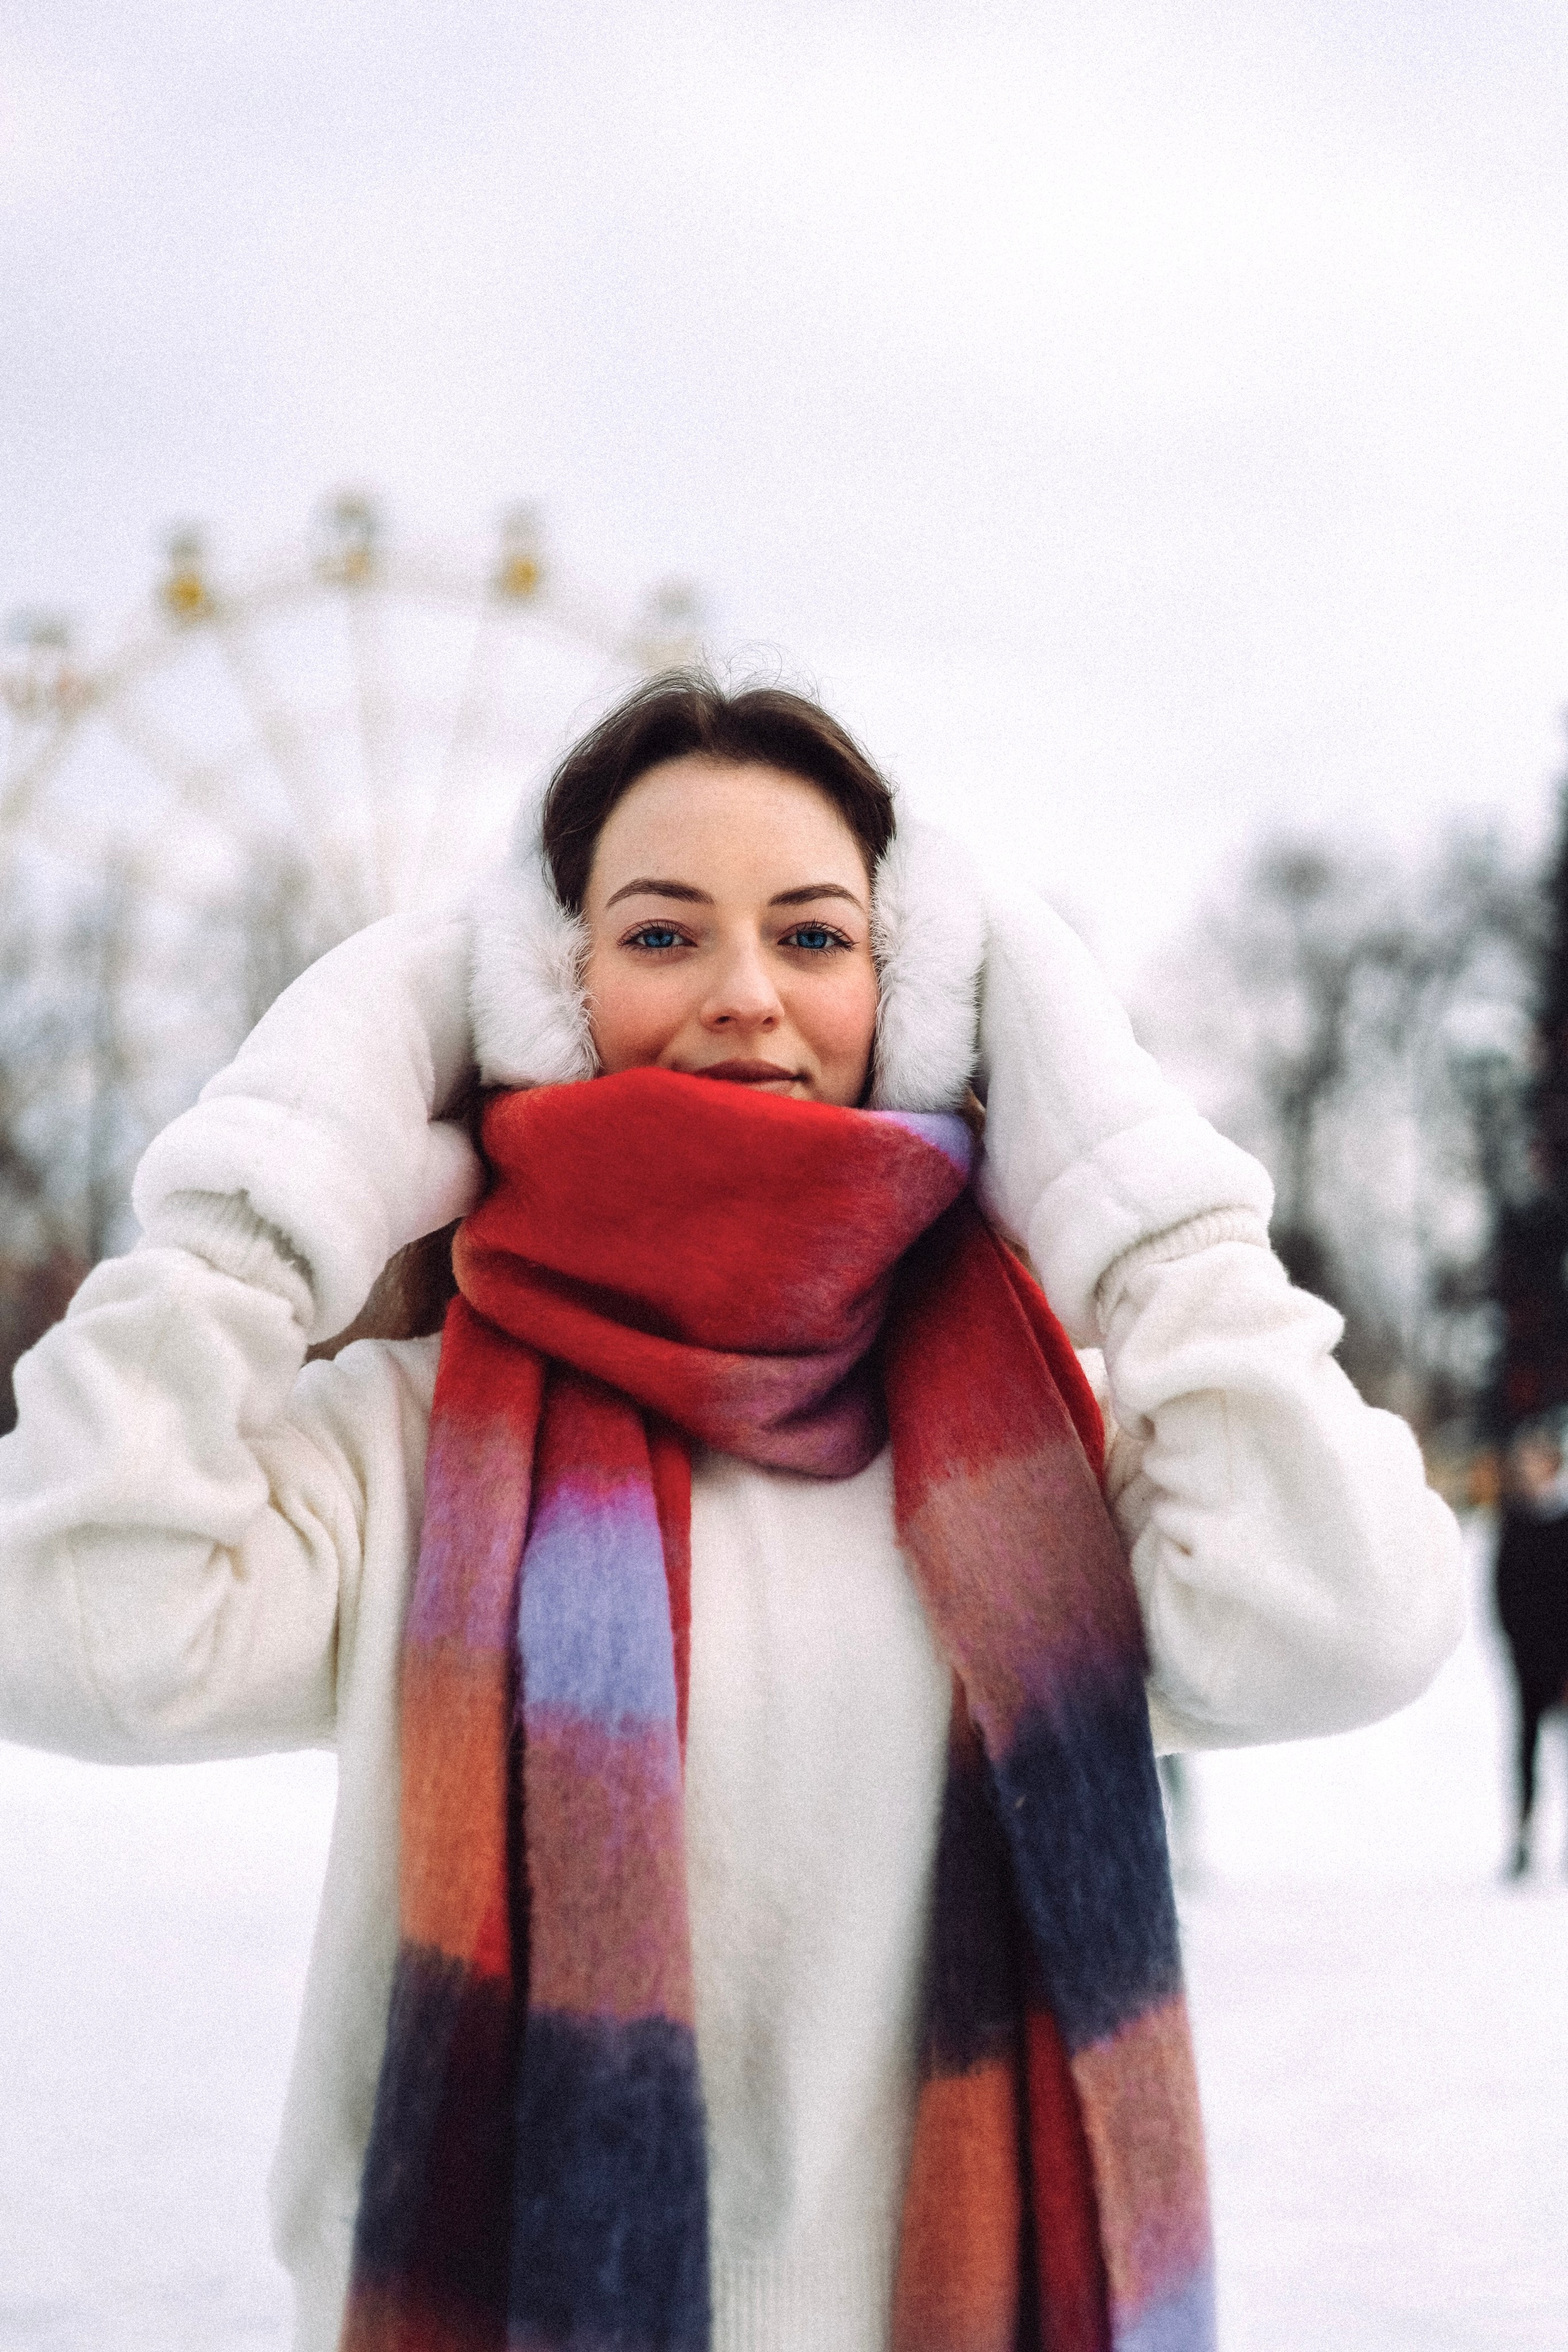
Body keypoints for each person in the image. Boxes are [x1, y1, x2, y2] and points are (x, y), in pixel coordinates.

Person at [0, 674, 1463, 2352]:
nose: (748, 995)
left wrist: (1140, 1199)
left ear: (922, 999)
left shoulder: (1049, 1469)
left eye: (817, 936)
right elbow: (67, 1630)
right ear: (540, 998)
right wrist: (270, 1189)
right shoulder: (402, 1450)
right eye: (661, 934)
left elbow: (1346, 1624)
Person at [1493, 1418, 1568, 1877]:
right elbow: (1502, 1591)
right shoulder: (1515, 1521)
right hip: (1527, 1659)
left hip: (1564, 1661)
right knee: (1526, 1749)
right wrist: (1514, 1641)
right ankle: (1522, 1836)